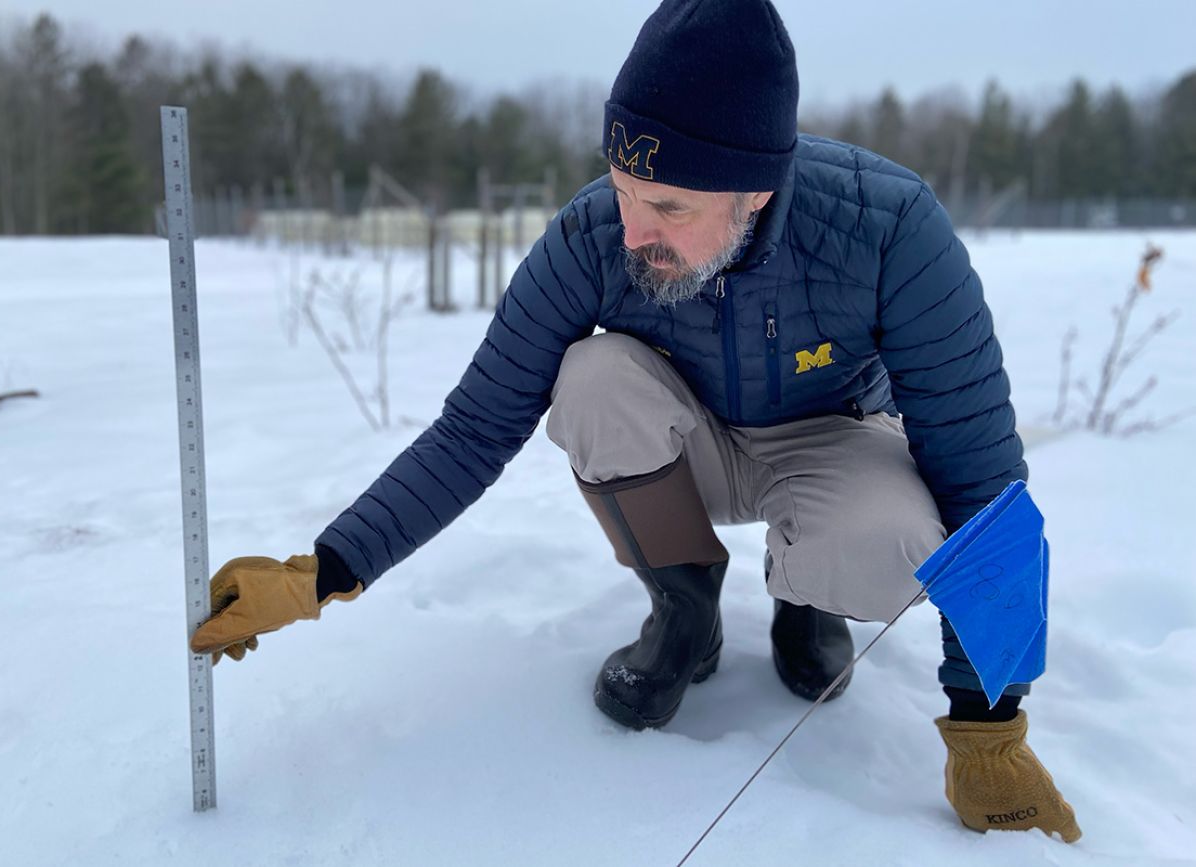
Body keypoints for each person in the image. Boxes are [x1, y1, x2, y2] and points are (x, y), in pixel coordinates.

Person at [189, 0, 1080, 843]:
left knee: (893, 544)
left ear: (756, 191)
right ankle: (684, 611)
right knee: (591, 377)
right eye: (623, 188)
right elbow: (475, 427)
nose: (632, 228)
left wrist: (987, 726)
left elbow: (982, 479)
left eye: (669, 208)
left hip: (832, 442)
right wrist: (325, 569)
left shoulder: (887, 228)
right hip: (687, 444)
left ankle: (804, 601)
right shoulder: (589, 240)